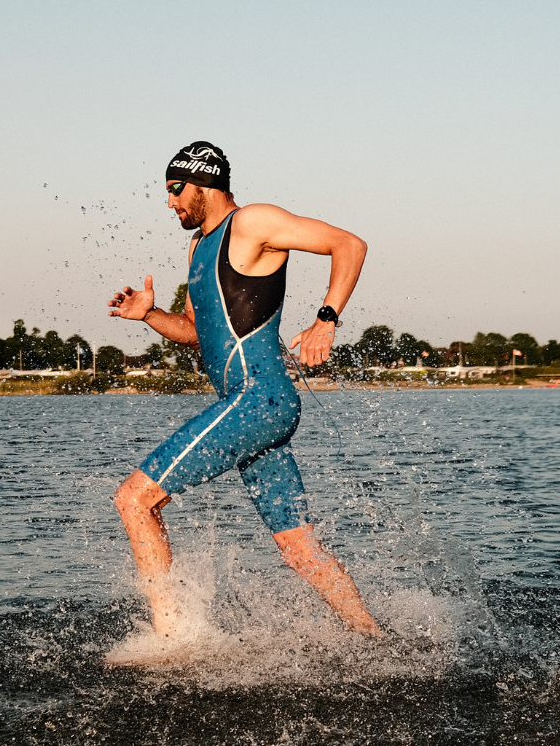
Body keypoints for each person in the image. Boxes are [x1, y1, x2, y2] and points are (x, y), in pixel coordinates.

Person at [107, 141, 381, 637]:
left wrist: (325, 321)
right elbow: (196, 331)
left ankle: (170, 639)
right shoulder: (197, 247)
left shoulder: (252, 223)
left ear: (202, 182)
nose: (170, 203)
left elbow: (350, 244)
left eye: (174, 190)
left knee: (134, 500)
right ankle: (377, 639)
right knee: (298, 548)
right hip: (251, 406)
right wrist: (148, 315)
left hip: (260, 398)